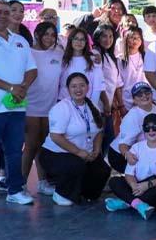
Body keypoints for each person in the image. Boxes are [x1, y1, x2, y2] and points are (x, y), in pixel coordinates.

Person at [0, 0, 36, 204]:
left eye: (6, 12)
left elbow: (32, 70)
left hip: (16, 106)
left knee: (15, 150)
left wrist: (22, 87)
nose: (3, 16)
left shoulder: (21, 41)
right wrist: (10, 87)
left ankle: (15, 191)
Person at [39, 73, 111, 206]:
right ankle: (61, 193)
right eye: (74, 86)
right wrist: (78, 152)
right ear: (68, 89)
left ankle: (83, 193)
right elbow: (56, 136)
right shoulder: (61, 108)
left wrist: (96, 150)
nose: (78, 89)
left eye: (82, 85)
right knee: (76, 165)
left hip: (85, 153)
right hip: (55, 154)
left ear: (88, 87)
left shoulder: (93, 106)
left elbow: (99, 131)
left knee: (103, 170)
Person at [106, 113, 156, 219]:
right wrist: (133, 185)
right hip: (137, 185)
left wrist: (148, 185)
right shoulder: (136, 147)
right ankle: (139, 205)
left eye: (155, 127)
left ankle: (127, 202)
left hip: (154, 185)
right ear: (144, 130)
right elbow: (129, 174)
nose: (151, 131)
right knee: (114, 181)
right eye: (147, 128)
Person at [23, 22, 63, 196]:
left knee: (43, 145)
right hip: (29, 105)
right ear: (37, 34)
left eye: (53, 35)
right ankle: (20, 185)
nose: (49, 38)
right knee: (31, 145)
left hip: (50, 107)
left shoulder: (59, 52)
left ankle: (42, 182)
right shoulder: (27, 52)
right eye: (46, 34)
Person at [59, 27, 108, 114]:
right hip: (65, 106)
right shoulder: (63, 60)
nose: (79, 42)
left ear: (86, 42)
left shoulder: (93, 60)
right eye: (76, 39)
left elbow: (97, 87)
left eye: (82, 39)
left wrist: (91, 108)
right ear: (71, 40)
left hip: (86, 106)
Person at [93, 24, 123, 154]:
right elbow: (98, 82)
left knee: (108, 139)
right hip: (99, 106)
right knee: (101, 141)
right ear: (97, 37)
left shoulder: (109, 56)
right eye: (104, 36)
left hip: (108, 107)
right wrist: (106, 103)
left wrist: (117, 103)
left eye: (111, 36)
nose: (108, 39)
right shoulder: (96, 54)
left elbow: (115, 83)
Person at [118, 26, 147, 109]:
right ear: (126, 39)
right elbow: (118, 85)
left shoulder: (146, 56)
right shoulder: (120, 59)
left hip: (144, 98)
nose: (135, 40)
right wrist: (121, 105)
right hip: (127, 101)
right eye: (132, 37)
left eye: (138, 38)